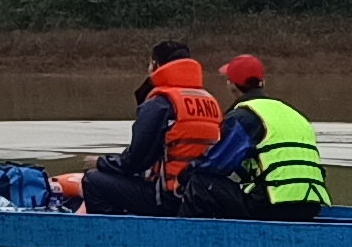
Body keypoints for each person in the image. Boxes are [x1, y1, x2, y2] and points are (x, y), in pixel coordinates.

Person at [179, 55, 327, 220]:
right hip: (311, 205)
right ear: (263, 82)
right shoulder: (293, 114)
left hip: (273, 206)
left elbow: (215, 163)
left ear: (231, 85)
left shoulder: (245, 116)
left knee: (199, 182)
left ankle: (181, 234)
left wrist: (183, 177)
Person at [79, 42, 220, 215]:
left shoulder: (161, 103)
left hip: (168, 199)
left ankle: (115, 231)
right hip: (199, 196)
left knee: (93, 180)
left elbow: (136, 161)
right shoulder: (210, 101)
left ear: (155, 65)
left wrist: (100, 162)